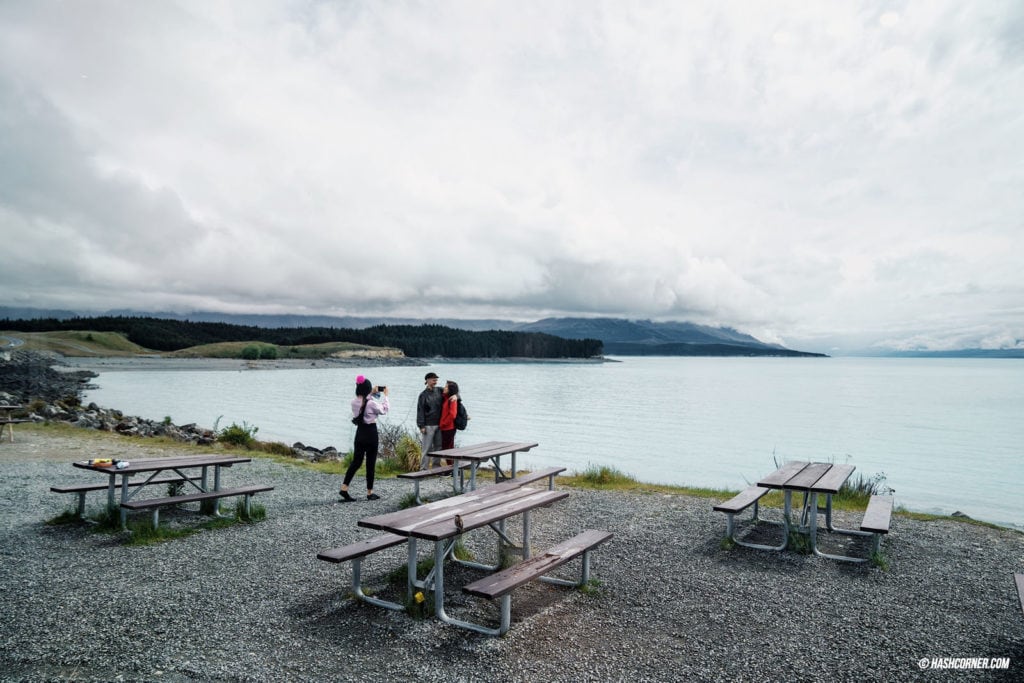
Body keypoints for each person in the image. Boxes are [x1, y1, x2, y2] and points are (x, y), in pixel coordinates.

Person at [339, 375, 388, 502]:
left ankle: (344, 488)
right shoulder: (371, 403)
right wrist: (386, 396)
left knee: (356, 462)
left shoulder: (354, 402)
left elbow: (364, 402)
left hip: (360, 433)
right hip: (371, 433)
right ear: (367, 389)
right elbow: (384, 410)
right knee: (370, 463)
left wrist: (372, 393)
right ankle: (369, 492)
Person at [416, 371, 443, 469]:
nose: (435, 382)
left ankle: (436, 467)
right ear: (427, 380)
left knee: (438, 447)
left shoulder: (440, 391)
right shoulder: (423, 395)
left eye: (436, 380)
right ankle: (424, 468)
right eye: (433, 380)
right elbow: (420, 410)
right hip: (428, 425)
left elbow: (453, 391)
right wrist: (421, 425)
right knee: (426, 448)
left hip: (439, 424)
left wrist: (456, 396)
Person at [439, 380, 460, 453]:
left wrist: (443, 423)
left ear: (450, 390)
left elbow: (452, 415)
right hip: (446, 428)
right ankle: (452, 464)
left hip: (448, 429)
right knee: (448, 449)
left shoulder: (452, 400)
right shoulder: (446, 398)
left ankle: (452, 464)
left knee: (447, 450)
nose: (444, 388)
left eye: (446, 387)